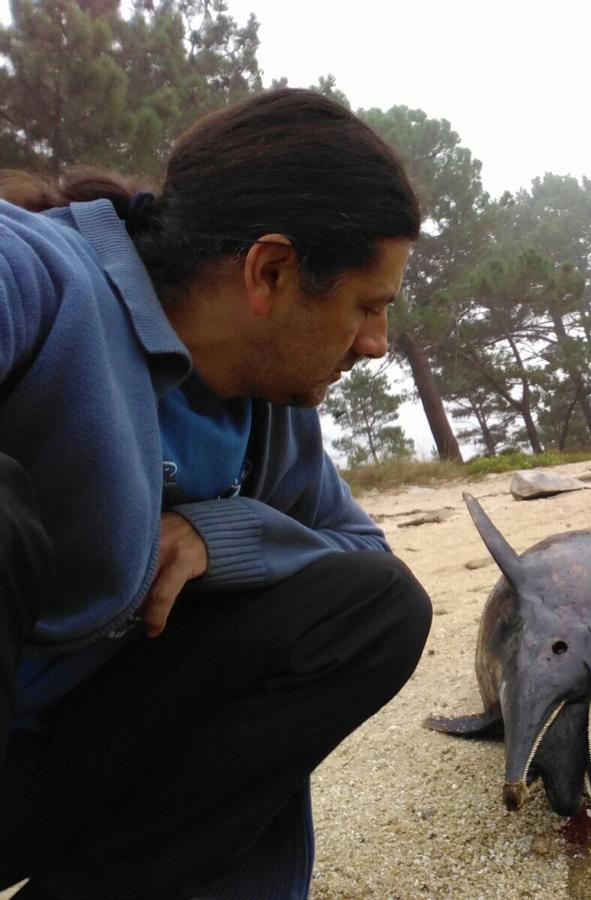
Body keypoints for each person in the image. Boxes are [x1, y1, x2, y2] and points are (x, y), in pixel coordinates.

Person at [0, 89, 433, 899]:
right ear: (269, 271)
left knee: (376, 607)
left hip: (66, 769)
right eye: (367, 307)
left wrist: (216, 533)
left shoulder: (267, 410)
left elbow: (365, 555)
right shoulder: (39, 271)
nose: (376, 345)